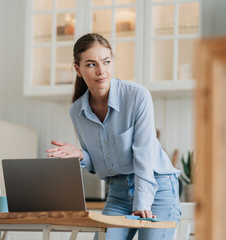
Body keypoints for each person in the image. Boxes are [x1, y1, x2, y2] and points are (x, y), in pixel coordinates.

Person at [46, 33, 181, 240]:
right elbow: (99, 161)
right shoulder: (77, 111)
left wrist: (142, 204)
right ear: (77, 69)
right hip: (117, 192)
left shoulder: (137, 96)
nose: (101, 71)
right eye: (91, 64)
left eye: (106, 62)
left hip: (156, 187)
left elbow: (144, 154)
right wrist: (81, 155)